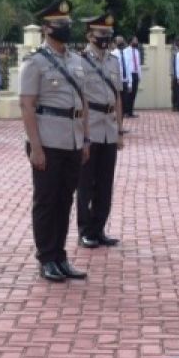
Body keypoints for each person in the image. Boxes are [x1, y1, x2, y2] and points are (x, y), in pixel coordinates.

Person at [19, 0, 91, 282]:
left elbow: (83, 101)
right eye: (60, 25)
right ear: (47, 28)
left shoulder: (76, 60)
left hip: (73, 140)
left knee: (65, 200)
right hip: (47, 141)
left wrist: (85, 139)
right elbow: (27, 106)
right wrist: (35, 146)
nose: (65, 28)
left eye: (67, 24)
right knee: (47, 201)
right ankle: (46, 257)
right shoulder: (35, 61)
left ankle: (60, 255)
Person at [76, 13, 124, 248]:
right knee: (86, 183)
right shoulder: (80, 61)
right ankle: (85, 230)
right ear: (89, 35)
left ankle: (99, 228)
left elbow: (117, 96)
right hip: (91, 126)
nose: (105, 37)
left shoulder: (114, 61)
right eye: (100, 34)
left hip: (109, 126)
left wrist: (120, 130)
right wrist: (83, 136)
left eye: (108, 34)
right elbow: (79, 99)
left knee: (106, 183)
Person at [126, 38, 142, 118]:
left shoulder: (137, 51)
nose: (136, 42)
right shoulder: (126, 51)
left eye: (137, 40)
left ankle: (130, 111)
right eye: (135, 40)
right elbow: (127, 64)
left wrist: (139, 75)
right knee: (128, 93)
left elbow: (138, 64)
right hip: (130, 74)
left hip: (135, 73)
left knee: (133, 94)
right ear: (131, 41)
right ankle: (126, 111)